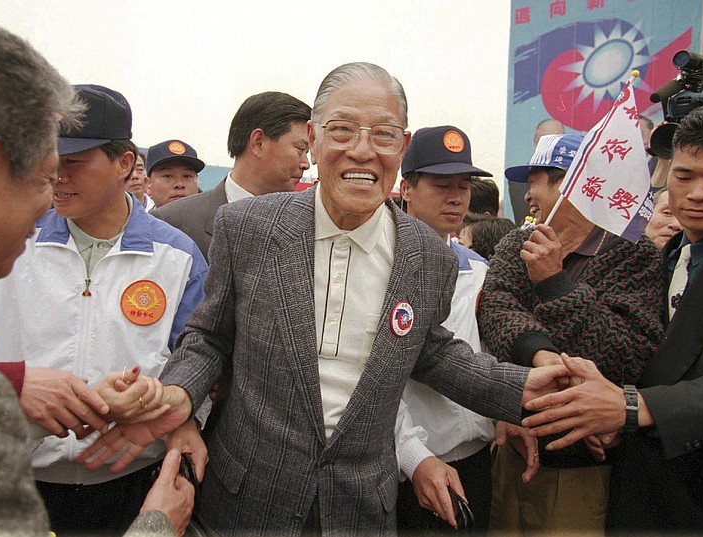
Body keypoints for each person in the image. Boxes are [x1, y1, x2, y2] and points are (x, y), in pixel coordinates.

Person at [78, 61, 571, 535]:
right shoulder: (248, 227)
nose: (362, 150)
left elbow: (431, 350)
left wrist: (521, 388)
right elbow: (209, 336)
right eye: (342, 130)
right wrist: (177, 394)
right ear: (312, 140)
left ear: (400, 147)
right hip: (245, 500)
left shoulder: (427, 256)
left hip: (360, 507)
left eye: (382, 134)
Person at [0, 13, 193, 537]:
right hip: (18, 472)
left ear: (124, 162)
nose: (56, 179)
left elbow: (193, 355)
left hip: (128, 477)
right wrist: (13, 386)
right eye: (47, 164)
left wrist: (161, 399)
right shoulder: (1, 246)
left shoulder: (177, 256)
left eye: (74, 162)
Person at [523, 101, 703, 532]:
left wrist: (633, 407)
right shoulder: (662, 257)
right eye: (684, 176)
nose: (698, 193)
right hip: (640, 492)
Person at [478, 133, 664, 535]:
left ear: (579, 184)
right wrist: (543, 359)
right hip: (515, 445)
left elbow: (627, 352)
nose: (528, 195)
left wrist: (554, 283)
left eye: (539, 181)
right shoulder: (518, 243)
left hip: (584, 466)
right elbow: (496, 310)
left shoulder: (633, 254)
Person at [394, 125, 497, 534]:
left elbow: (486, 355)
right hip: (411, 466)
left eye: (464, 185)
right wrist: (412, 454)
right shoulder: (383, 265)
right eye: (441, 185)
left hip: (474, 459)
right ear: (407, 187)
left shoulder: (478, 268)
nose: (456, 197)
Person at [152, 91, 311, 260]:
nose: (306, 164)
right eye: (300, 149)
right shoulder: (171, 224)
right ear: (258, 143)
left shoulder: (305, 227)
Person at [146, 139, 205, 208]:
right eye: (167, 176)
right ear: (148, 184)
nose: (179, 184)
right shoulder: (136, 218)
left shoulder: (215, 218)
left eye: (187, 176)